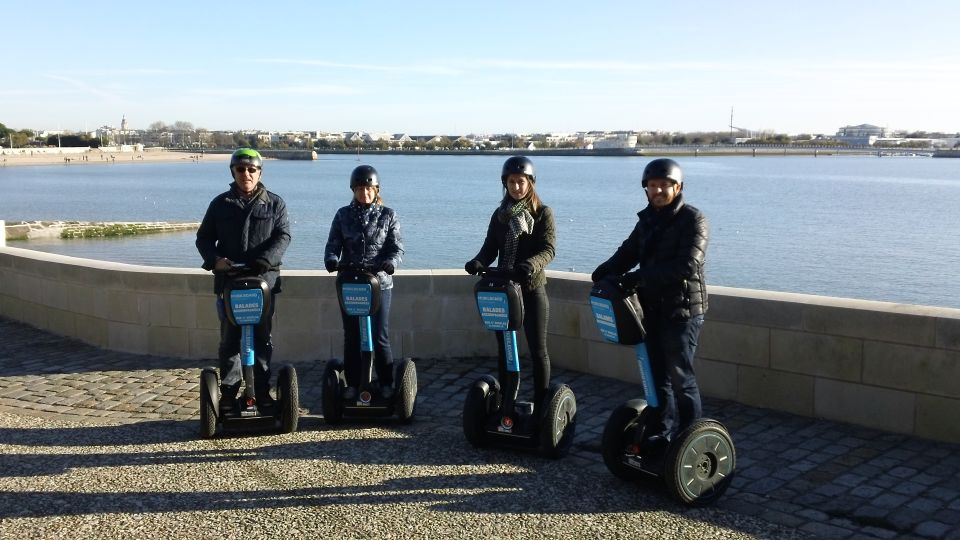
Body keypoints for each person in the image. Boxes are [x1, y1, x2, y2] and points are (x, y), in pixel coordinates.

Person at [591, 158, 708, 452]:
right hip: (651, 309)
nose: (658, 191)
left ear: (677, 187)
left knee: (681, 377)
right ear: (646, 190)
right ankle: (659, 434)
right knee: (657, 377)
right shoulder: (647, 220)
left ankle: (689, 438)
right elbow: (628, 251)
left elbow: (687, 264)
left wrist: (638, 278)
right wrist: (605, 271)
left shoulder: (694, 219)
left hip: (682, 311)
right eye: (653, 186)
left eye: (664, 186)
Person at [196, 148, 291, 409]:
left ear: (259, 172)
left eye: (252, 169)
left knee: (262, 339)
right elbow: (203, 238)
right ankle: (228, 393)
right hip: (229, 283)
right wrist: (216, 261)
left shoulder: (274, 203)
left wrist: (266, 259)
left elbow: (283, 236)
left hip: (264, 284)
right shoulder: (220, 204)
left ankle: (261, 391)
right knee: (229, 340)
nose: (246, 174)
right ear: (233, 172)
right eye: (241, 169)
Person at [464, 156, 557, 410]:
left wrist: (531, 265)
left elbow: (548, 249)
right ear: (505, 184)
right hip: (504, 291)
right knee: (505, 349)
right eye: (511, 182)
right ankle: (506, 402)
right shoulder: (500, 215)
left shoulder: (542, 213)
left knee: (538, 350)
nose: (516, 187)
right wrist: (478, 262)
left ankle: (541, 405)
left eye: (521, 182)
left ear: (531, 183)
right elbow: (489, 248)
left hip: (531, 288)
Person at [324, 165, 404, 400]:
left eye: (368, 188)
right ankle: (353, 383)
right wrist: (331, 259)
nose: (364, 193)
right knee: (352, 336)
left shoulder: (388, 215)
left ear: (376, 189)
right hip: (350, 282)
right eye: (360, 189)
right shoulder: (342, 215)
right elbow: (333, 244)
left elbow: (396, 247)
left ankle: (387, 382)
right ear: (353, 190)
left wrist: (391, 263)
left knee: (379, 335)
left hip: (379, 283)